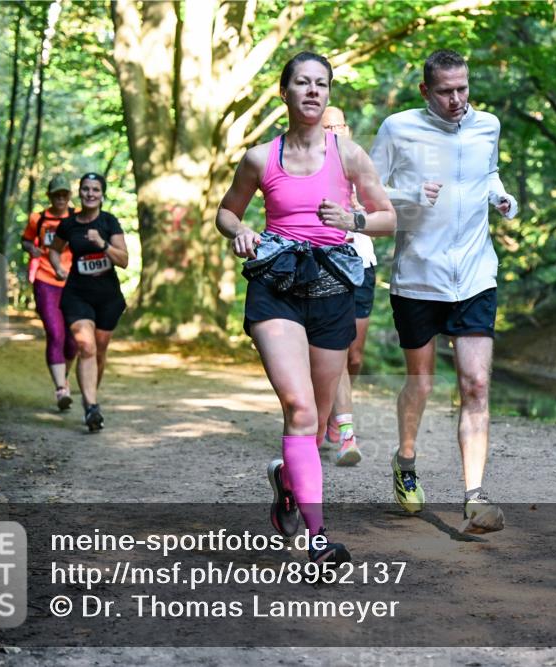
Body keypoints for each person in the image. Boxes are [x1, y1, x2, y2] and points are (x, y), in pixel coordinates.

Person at [216, 52, 395, 564]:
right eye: (302, 82)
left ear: (328, 93)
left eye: (321, 83)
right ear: (285, 92)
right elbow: (226, 212)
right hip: (276, 286)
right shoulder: (260, 158)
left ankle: (289, 488)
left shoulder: (349, 155)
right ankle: (317, 540)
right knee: (299, 409)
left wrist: (353, 220)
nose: (313, 90)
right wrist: (241, 230)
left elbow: (388, 218)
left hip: (333, 289)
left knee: (315, 425)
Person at [369, 49, 518, 533]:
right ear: (425, 91)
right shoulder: (398, 129)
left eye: (463, 88)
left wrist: (500, 196)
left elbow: (488, 173)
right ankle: (406, 462)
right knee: (423, 383)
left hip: (475, 275)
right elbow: (366, 193)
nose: (457, 100)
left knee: (475, 384)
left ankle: (475, 496)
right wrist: (409, 197)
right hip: (418, 277)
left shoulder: (487, 126)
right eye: (446, 91)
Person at [48, 172, 129, 432]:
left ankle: (90, 396)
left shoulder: (109, 222)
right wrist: (57, 267)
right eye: (86, 189)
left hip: (108, 298)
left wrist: (102, 244)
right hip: (77, 295)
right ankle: (91, 407)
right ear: (79, 192)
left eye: (95, 189)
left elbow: (124, 260)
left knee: (100, 351)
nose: (90, 193)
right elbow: (54, 249)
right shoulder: (69, 224)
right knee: (86, 346)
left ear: (102, 194)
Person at [320, 106, 377, 467]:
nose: (334, 131)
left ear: (348, 128)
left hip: (363, 264)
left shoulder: (362, 165)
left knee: (354, 356)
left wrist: (359, 214)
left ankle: (334, 410)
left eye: (339, 125)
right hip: (328, 265)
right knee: (338, 350)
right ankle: (344, 429)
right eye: (327, 126)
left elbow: (384, 216)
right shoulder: (310, 167)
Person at [21, 175, 79, 410]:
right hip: (46, 280)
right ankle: (61, 389)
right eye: (57, 195)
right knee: (56, 333)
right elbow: (25, 240)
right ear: (49, 196)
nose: (61, 199)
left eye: (64, 194)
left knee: (73, 340)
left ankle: (63, 376)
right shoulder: (38, 219)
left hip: (75, 283)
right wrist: (31, 249)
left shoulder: (78, 217)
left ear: (70, 196)